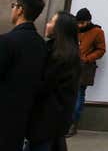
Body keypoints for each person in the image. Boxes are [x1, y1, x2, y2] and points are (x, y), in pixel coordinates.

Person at [25, 11, 81, 151]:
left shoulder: (59, 56)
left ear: (60, 29)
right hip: (53, 123)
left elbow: (42, 86)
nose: (47, 24)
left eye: (51, 22)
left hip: (45, 122)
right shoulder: (64, 53)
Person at [0, 0, 47, 151]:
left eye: (13, 6)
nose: (12, 9)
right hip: (23, 117)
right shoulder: (41, 44)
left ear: (20, 9)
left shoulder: (7, 41)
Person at [67, 8, 106, 137]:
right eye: (78, 23)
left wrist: (87, 58)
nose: (80, 25)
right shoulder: (73, 29)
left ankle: (72, 124)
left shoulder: (97, 32)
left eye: (82, 23)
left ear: (88, 21)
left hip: (84, 68)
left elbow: (101, 50)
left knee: (79, 94)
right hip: (68, 65)